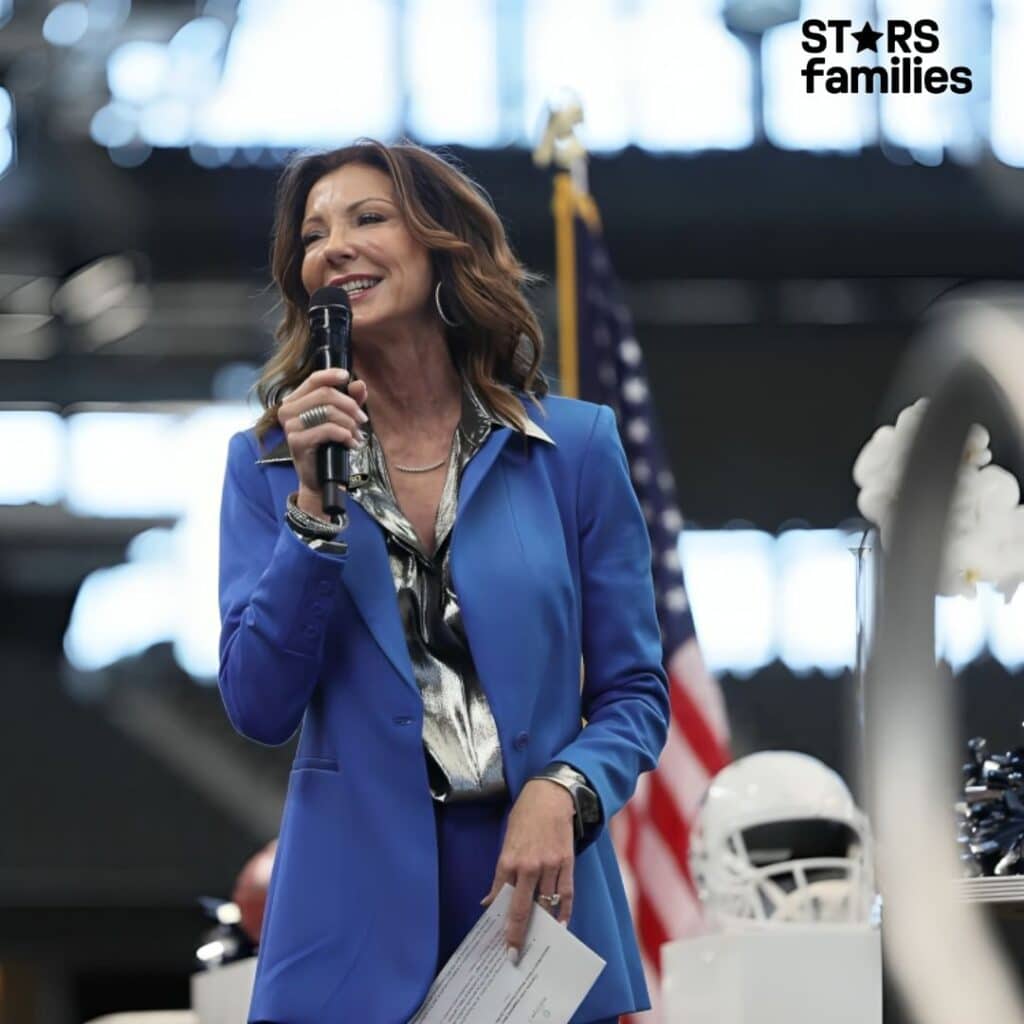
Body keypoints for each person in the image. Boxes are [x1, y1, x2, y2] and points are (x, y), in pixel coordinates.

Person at [217, 139, 670, 1024]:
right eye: (314, 234)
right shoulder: (267, 464)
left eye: (369, 218)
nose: (335, 246)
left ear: (441, 248)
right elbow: (259, 705)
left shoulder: (574, 450)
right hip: (342, 936)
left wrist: (563, 789)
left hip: (537, 903)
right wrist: (313, 508)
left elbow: (635, 692)